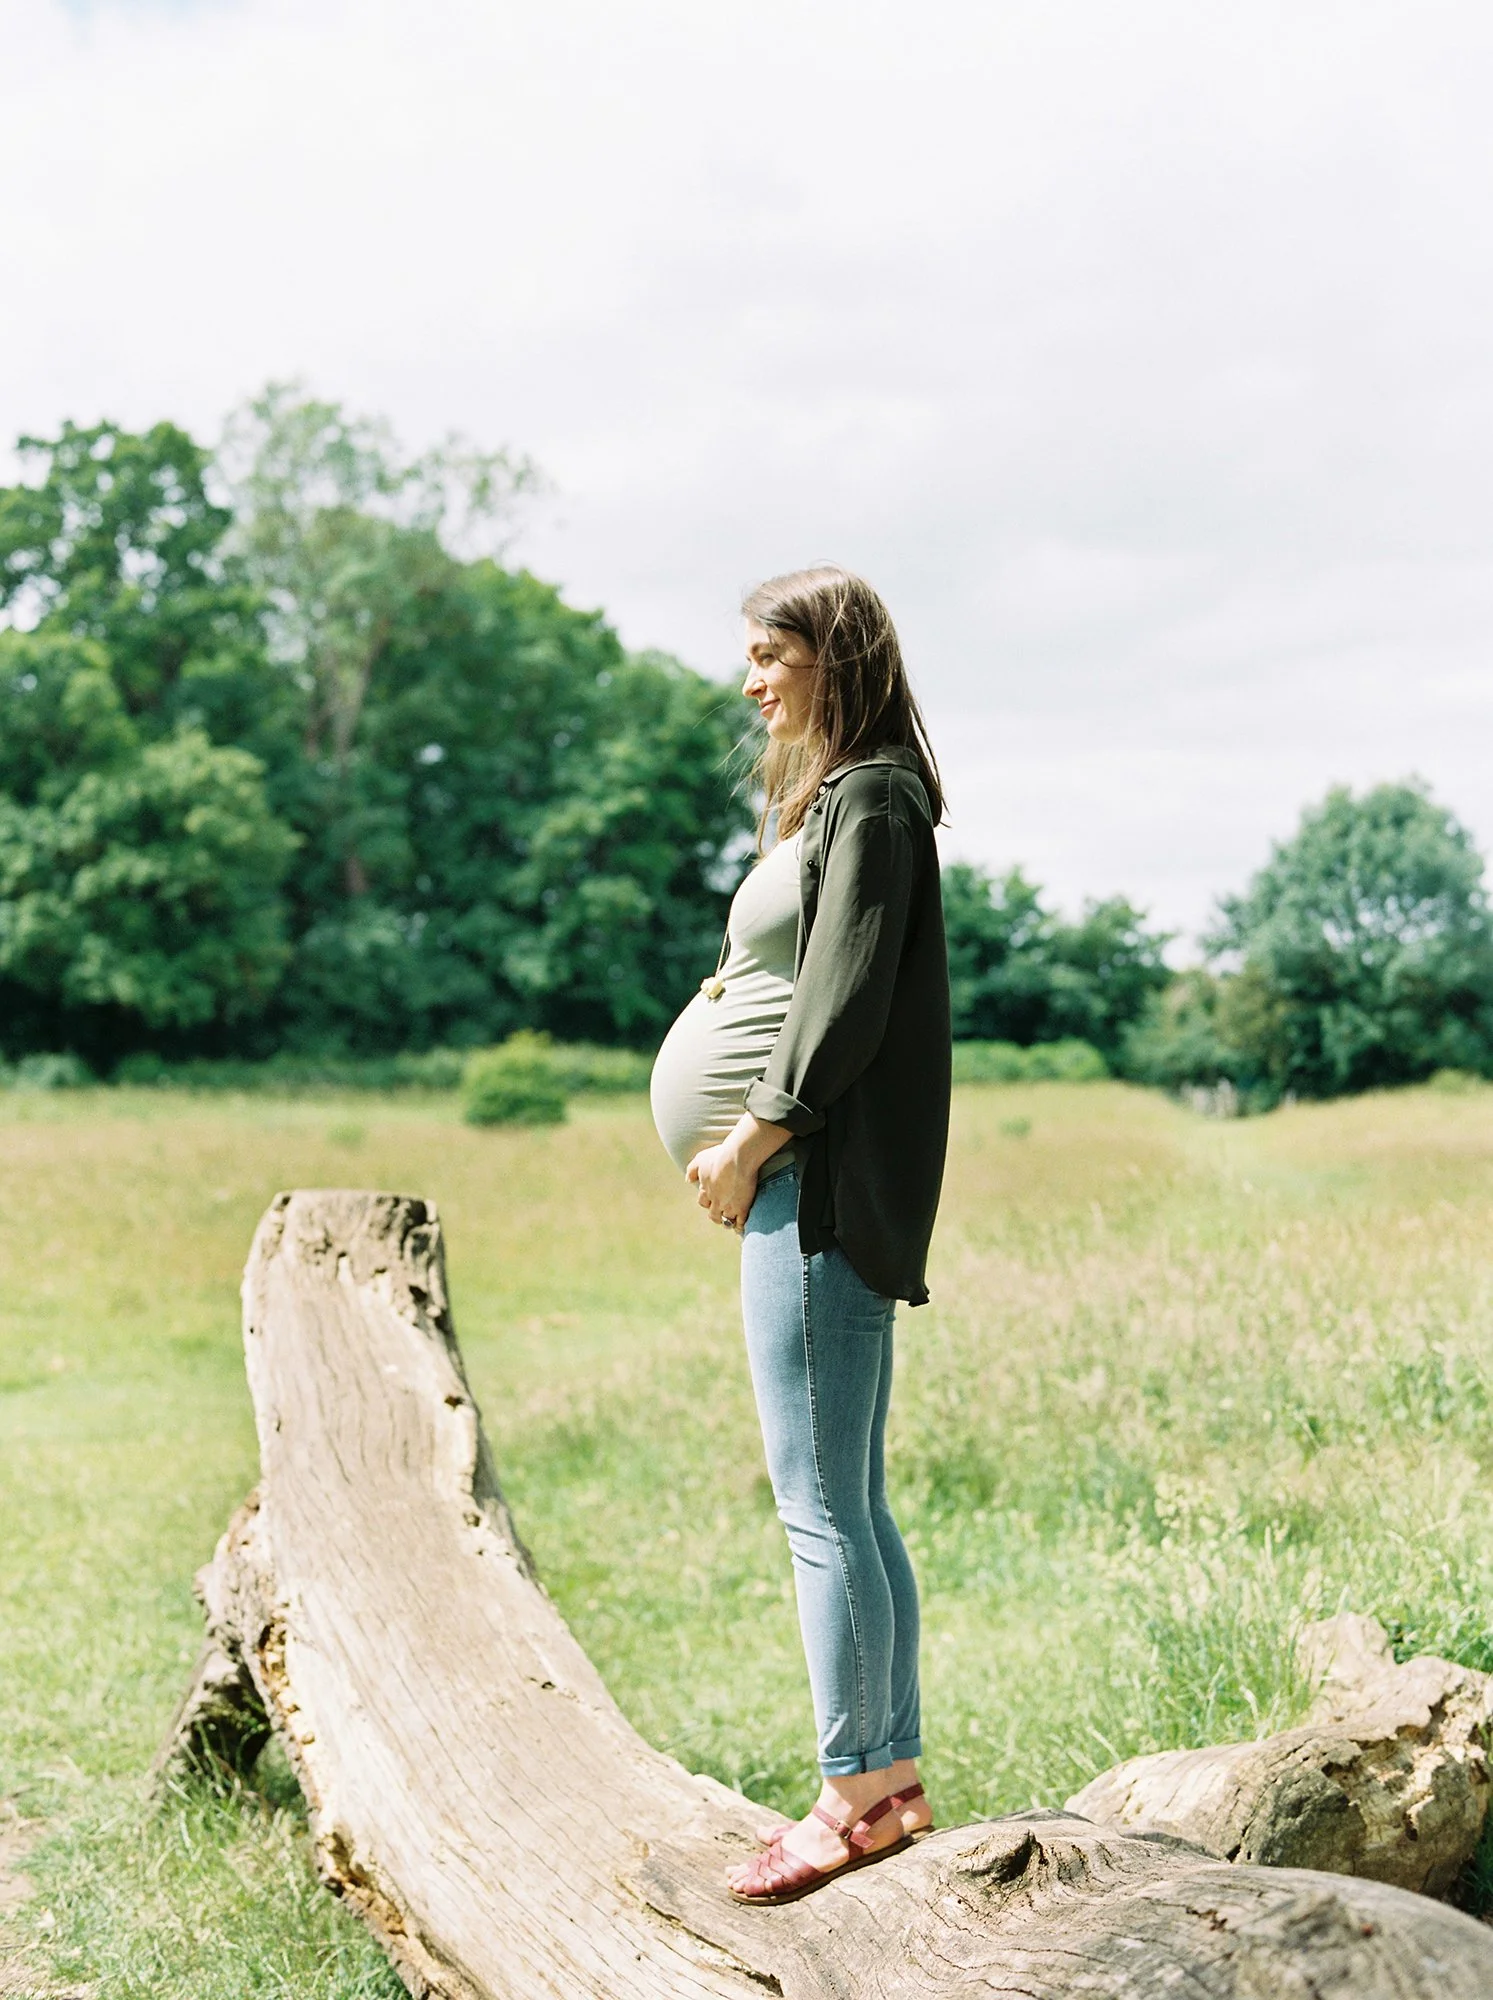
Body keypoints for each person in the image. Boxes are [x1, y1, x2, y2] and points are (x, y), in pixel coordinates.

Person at [648, 565, 952, 1906]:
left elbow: (843, 1002)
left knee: (822, 1509)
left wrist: (753, 1137)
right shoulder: (847, 796)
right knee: (848, 1504)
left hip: (813, 1193)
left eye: (773, 656)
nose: (754, 681)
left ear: (837, 656)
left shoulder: (877, 797)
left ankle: (851, 1798)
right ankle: (886, 1781)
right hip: (798, 1187)